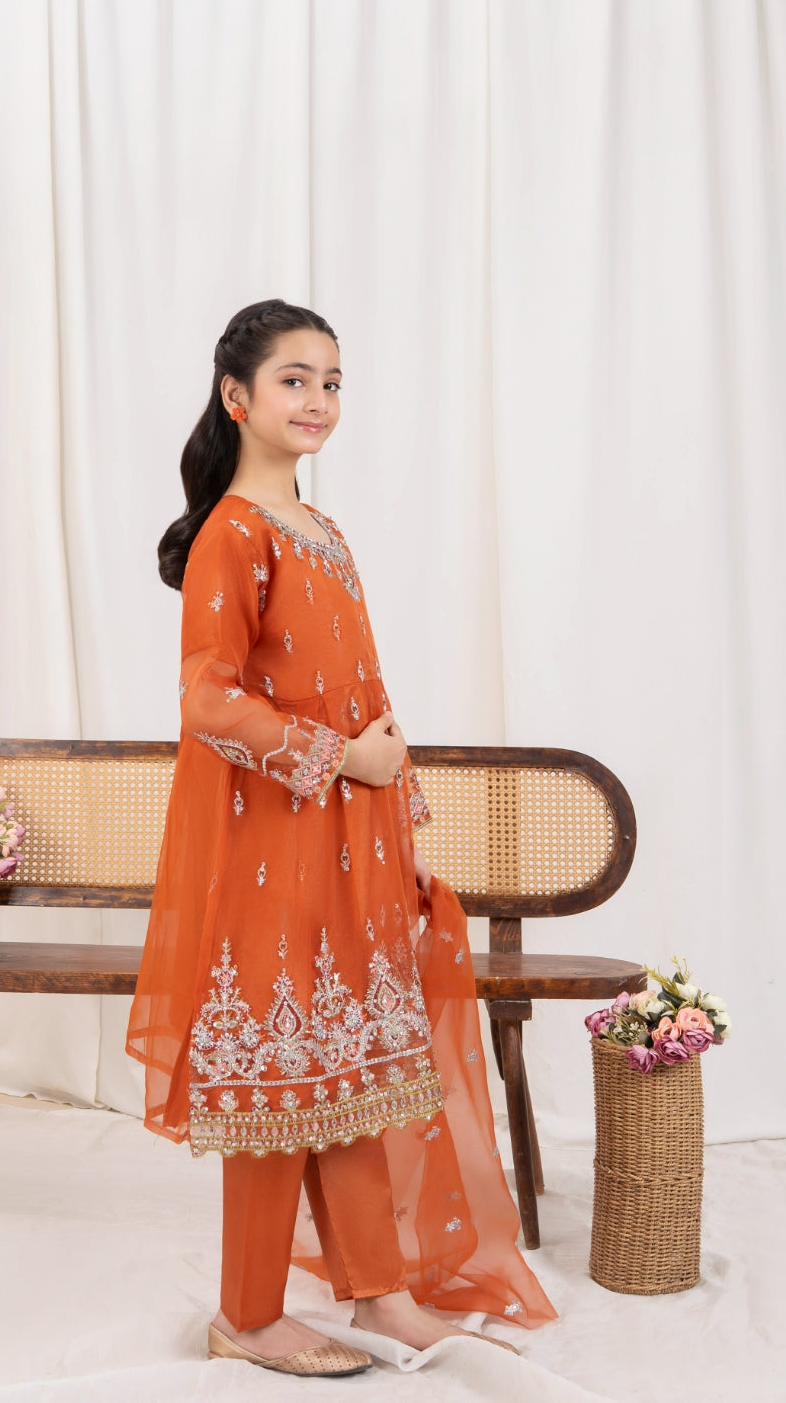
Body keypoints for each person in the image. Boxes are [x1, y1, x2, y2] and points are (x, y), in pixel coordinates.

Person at [127, 300, 556, 1376]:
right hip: (273, 849)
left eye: (331, 382)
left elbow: (366, 691)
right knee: (281, 1076)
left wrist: (402, 822)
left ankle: (381, 1292)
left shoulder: (322, 529)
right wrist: (340, 758)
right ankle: (246, 1314)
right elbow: (207, 701)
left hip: (354, 847)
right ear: (236, 396)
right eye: (294, 380)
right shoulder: (233, 533)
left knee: (353, 1065)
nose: (317, 400)